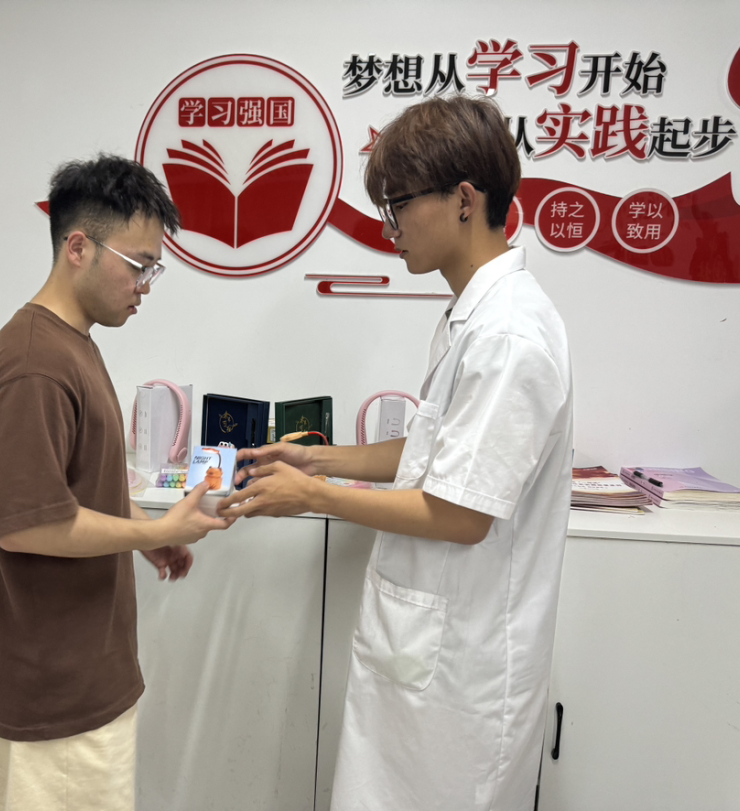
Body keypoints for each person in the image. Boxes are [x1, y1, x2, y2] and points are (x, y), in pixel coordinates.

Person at [218, 95, 573, 810]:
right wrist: (318, 461)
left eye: (400, 205)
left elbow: (462, 513)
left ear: (464, 200)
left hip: (462, 674)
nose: (390, 229)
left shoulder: (508, 336)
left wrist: (312, 498)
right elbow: (439, 451)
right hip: (427, 654)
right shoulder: (474, 315)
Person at [0, 154, 231, 811]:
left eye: (154, 270)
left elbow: (72, 495)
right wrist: (159, 527)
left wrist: (145, 533)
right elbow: (28, 524)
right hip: (56, 690)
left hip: (82, 668)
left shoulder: (73, 344)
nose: (146, 285)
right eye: (139, 265)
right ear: (78, 247)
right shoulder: (36, 365)